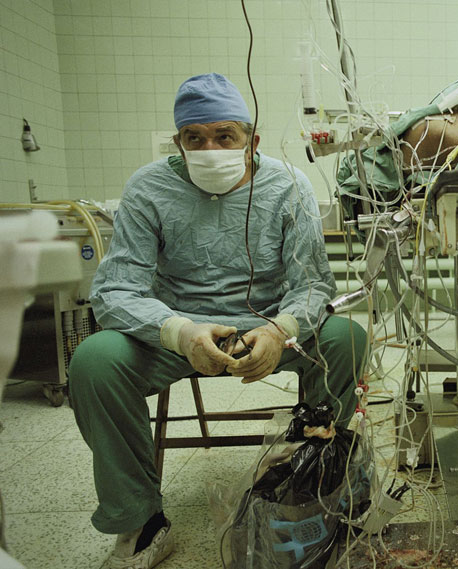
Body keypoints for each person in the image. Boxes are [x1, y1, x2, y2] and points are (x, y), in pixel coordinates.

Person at [67, 73, 367, 569]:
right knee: (95, 361)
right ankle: (141, 521)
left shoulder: (287, 185)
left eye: (225, 136)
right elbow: (117, 289)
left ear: (252, 140)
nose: (210, 149)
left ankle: (314, 487)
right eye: (195, 138)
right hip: (174, 330)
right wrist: (181, 333)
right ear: (178, 141)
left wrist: (279, 330)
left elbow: (313, 284)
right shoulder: (150, 188)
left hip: (267, 325)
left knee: (345, 337)